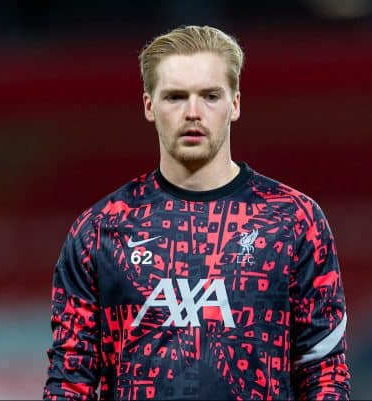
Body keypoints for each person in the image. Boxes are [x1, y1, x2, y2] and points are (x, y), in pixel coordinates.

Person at [43, 25, 351, 400]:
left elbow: (324, 372)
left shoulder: (294, 220)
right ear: (148, 105)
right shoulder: (101, 230)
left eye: (209, 95)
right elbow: (69, 381)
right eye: (175, 96)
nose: (193, 112)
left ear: (234, 104)